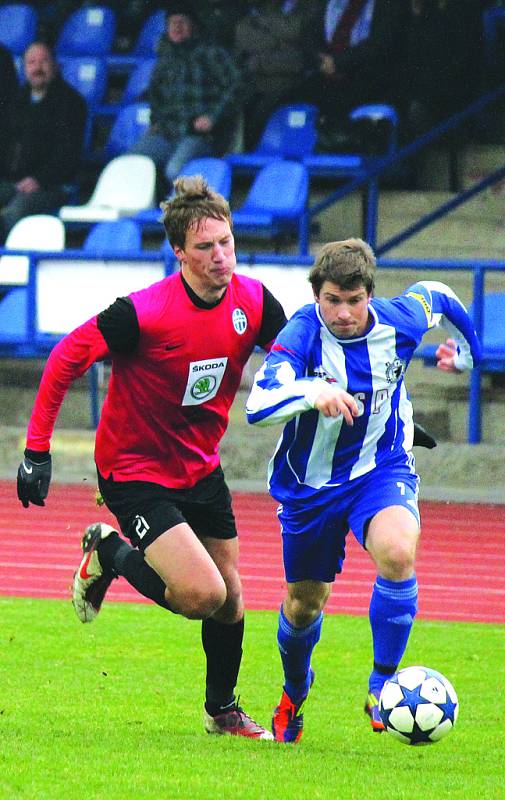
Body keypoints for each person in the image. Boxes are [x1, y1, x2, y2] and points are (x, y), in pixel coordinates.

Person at [16, 175, 289, 739]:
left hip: (200, 466)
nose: (221, 256)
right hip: (133, 471)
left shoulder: (254, 301)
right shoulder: (143, 313)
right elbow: (67, 355)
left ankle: (222, 712)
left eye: (227, 242)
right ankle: (109, 551)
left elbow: (302, 357)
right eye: (205, 247)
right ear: (178, 253)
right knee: (202, 594)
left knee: (232, 594)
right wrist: (36, 449)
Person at [245, 238, 481, 743]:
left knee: (398, 553)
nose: (345, 312)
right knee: (305, 603)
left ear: (369, 295)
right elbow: (258, 401)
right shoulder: (302, 333)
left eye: (354, 300)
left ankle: (382, 684)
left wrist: (467, 354)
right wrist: (314, 390)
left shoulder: (401, 319)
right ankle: (294, 691)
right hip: (311, 487)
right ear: (317, 296)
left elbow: (440, 294)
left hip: (382, 467)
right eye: (333, 300)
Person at [129, 1, 242, 194]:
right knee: (131, 162)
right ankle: (148, 212)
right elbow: (155, 96)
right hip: (167, 133)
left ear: (194, 26)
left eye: (182, 22)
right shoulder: (164, 58)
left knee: (175, 170)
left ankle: (182, 215)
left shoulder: (211, 53)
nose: (177, 27)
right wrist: (155, 122)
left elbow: (237, 87)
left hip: (200, 135)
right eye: (172, 23)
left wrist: (212, 117)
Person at [0, 41, 87, 244]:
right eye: (31, 62)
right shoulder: (14, 101)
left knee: (16, 210)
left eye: (43, 61)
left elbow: (67, 156)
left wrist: (38, 179)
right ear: (24, 68)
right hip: (12, 181)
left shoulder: (71, 103)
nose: (37, 68)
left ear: (55, 65)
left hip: (51, 185)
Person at [234, 0, 321, 150]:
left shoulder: (313, 6)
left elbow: (299, 34)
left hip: (293, 81)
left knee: (263, 113)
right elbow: (243, 33)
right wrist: (281, 41)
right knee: (235, 108)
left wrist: (264, 31)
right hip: (258, 81)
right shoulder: (268, 5)